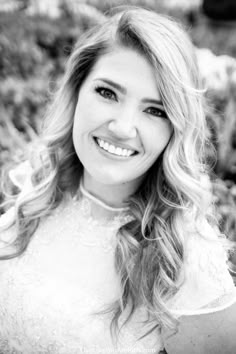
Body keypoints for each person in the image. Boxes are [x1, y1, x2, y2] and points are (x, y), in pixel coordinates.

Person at [0, 6, 236, 354]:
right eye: (108, 93)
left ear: (175, 129)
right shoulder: (35, 186)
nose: (123, 128)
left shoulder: (183, 255)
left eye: (155, 110)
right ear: (77, 90)